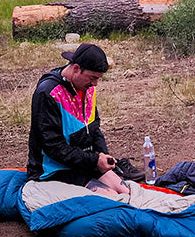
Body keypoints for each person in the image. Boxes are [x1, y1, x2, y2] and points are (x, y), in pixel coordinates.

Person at [27, 43, 130, 194]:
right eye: (92, 78)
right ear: (76, 68)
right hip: (54, 171)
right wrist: (94, 161)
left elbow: (94, 127)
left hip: (83, 163)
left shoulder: (86, 88)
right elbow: (53, 147)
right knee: (112, 197)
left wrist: (102, 154)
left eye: (98, 78)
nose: (95, 84)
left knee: (125, 191)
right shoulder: (47, 93)